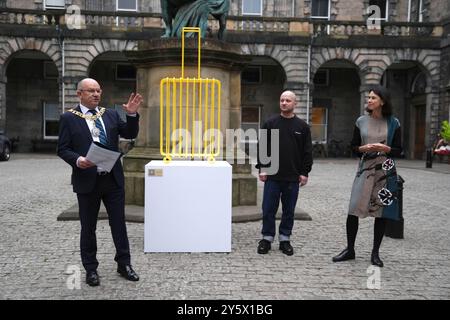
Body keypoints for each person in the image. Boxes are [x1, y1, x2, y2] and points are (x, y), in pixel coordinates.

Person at [57, 78, 143, 286]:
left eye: (98, 91)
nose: (96, 94)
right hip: (87, 180)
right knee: (88, 227)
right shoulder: (69, 118)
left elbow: (130, 134)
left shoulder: (110, 114)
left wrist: (131, 114)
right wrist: (78, 160)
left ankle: (124, 264)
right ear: (79, 94)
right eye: (90, 91)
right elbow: (63, 148)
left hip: (112, 179)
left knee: (118, 224)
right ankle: (91, 269)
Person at [332, 85, 402, 267]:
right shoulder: (361, 121)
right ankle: (350, 249)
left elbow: (399, 150)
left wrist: (386, 149)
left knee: (381, 212)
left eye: (373, 98)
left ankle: (375, 253)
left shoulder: (394, 123)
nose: (369, 100)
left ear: (382, 101)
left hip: (385, 171)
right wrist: (364, 148)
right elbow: (353, 147)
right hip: (364, 169)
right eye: (368, 97)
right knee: (354, 208)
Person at [256, 90, 313, 256]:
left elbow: (307, 151)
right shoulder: (270, 123)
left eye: (288, 100)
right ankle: (266, 238)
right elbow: (263, 148)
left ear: (295, 104)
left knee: (289, 210)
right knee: (268, 209)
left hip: (292, 176)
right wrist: (263, 168)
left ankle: (284, 239)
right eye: (282, 100)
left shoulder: (302, 127)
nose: (284, 103)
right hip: (272, 175)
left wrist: (304, 172)